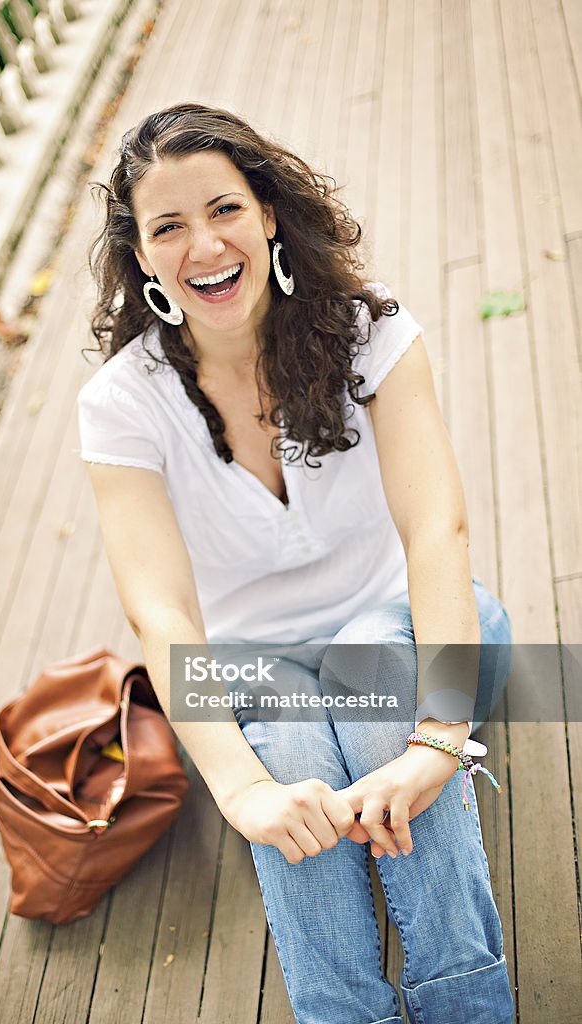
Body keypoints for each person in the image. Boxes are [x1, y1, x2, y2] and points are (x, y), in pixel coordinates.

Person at [76, 101, 514, 1024]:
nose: (202, 246)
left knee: (365, 673)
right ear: (144, 256)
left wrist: (437, 738)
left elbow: (438, 534)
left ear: (268, 214)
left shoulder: (371, 334)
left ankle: (463, 1007)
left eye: (223, 209)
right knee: (286, 747)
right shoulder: (121, 406)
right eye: (168, 226)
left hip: (419, 634)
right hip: (260, 676)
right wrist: (241, 791)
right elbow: (164, 617)